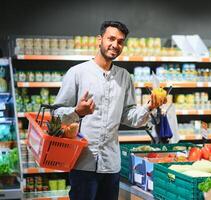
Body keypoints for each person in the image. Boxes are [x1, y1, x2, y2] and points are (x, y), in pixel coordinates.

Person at [54, 21, 166, 200]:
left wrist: (149, 106)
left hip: (111, 165)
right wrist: (77, 111)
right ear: (100, 40)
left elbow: (129, 117)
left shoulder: (124, 77)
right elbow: (56, 115)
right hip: (83, 163)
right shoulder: (77, 73)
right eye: (111, 38)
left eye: (120, 41)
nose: (115, 44)